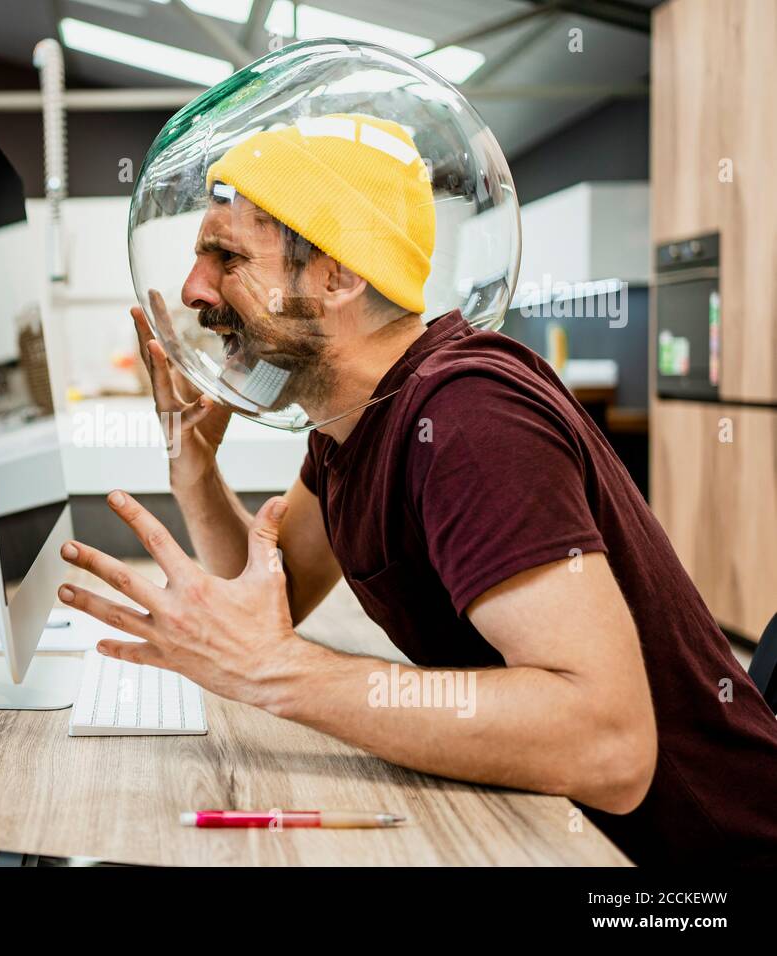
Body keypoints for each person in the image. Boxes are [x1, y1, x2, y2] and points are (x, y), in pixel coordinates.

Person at [56, 114, 777, 865]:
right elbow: (267, 600)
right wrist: (194, 470)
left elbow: (608, 743)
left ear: (339, 275)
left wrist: (279, 674)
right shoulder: (353, 424)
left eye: (226, 256)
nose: (193, 287)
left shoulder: (465, 419)